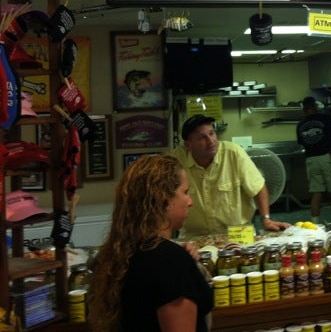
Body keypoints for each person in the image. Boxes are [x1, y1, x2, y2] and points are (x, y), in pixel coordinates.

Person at [88, 155, 213, 332]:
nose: (190, 201)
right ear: (164, 199)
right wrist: (182, 264)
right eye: (185, 192)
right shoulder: (170, 261)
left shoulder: (118, 252)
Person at [168, 115, 290, 236]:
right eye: (202, 138)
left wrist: (266, 219)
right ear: (188, 145)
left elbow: (258, 187)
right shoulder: (176, 160)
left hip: (238, 233)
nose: (211, 141)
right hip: (194, 235)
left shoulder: (233, 153)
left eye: (211, 133)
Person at [296, 96, 331, 224]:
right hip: (328, 157)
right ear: (315, 107)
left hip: (311, 160)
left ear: (304, 109)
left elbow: (302, 142)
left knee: (316, 193)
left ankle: (314, 222)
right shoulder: (326, 119)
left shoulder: (300, 124)